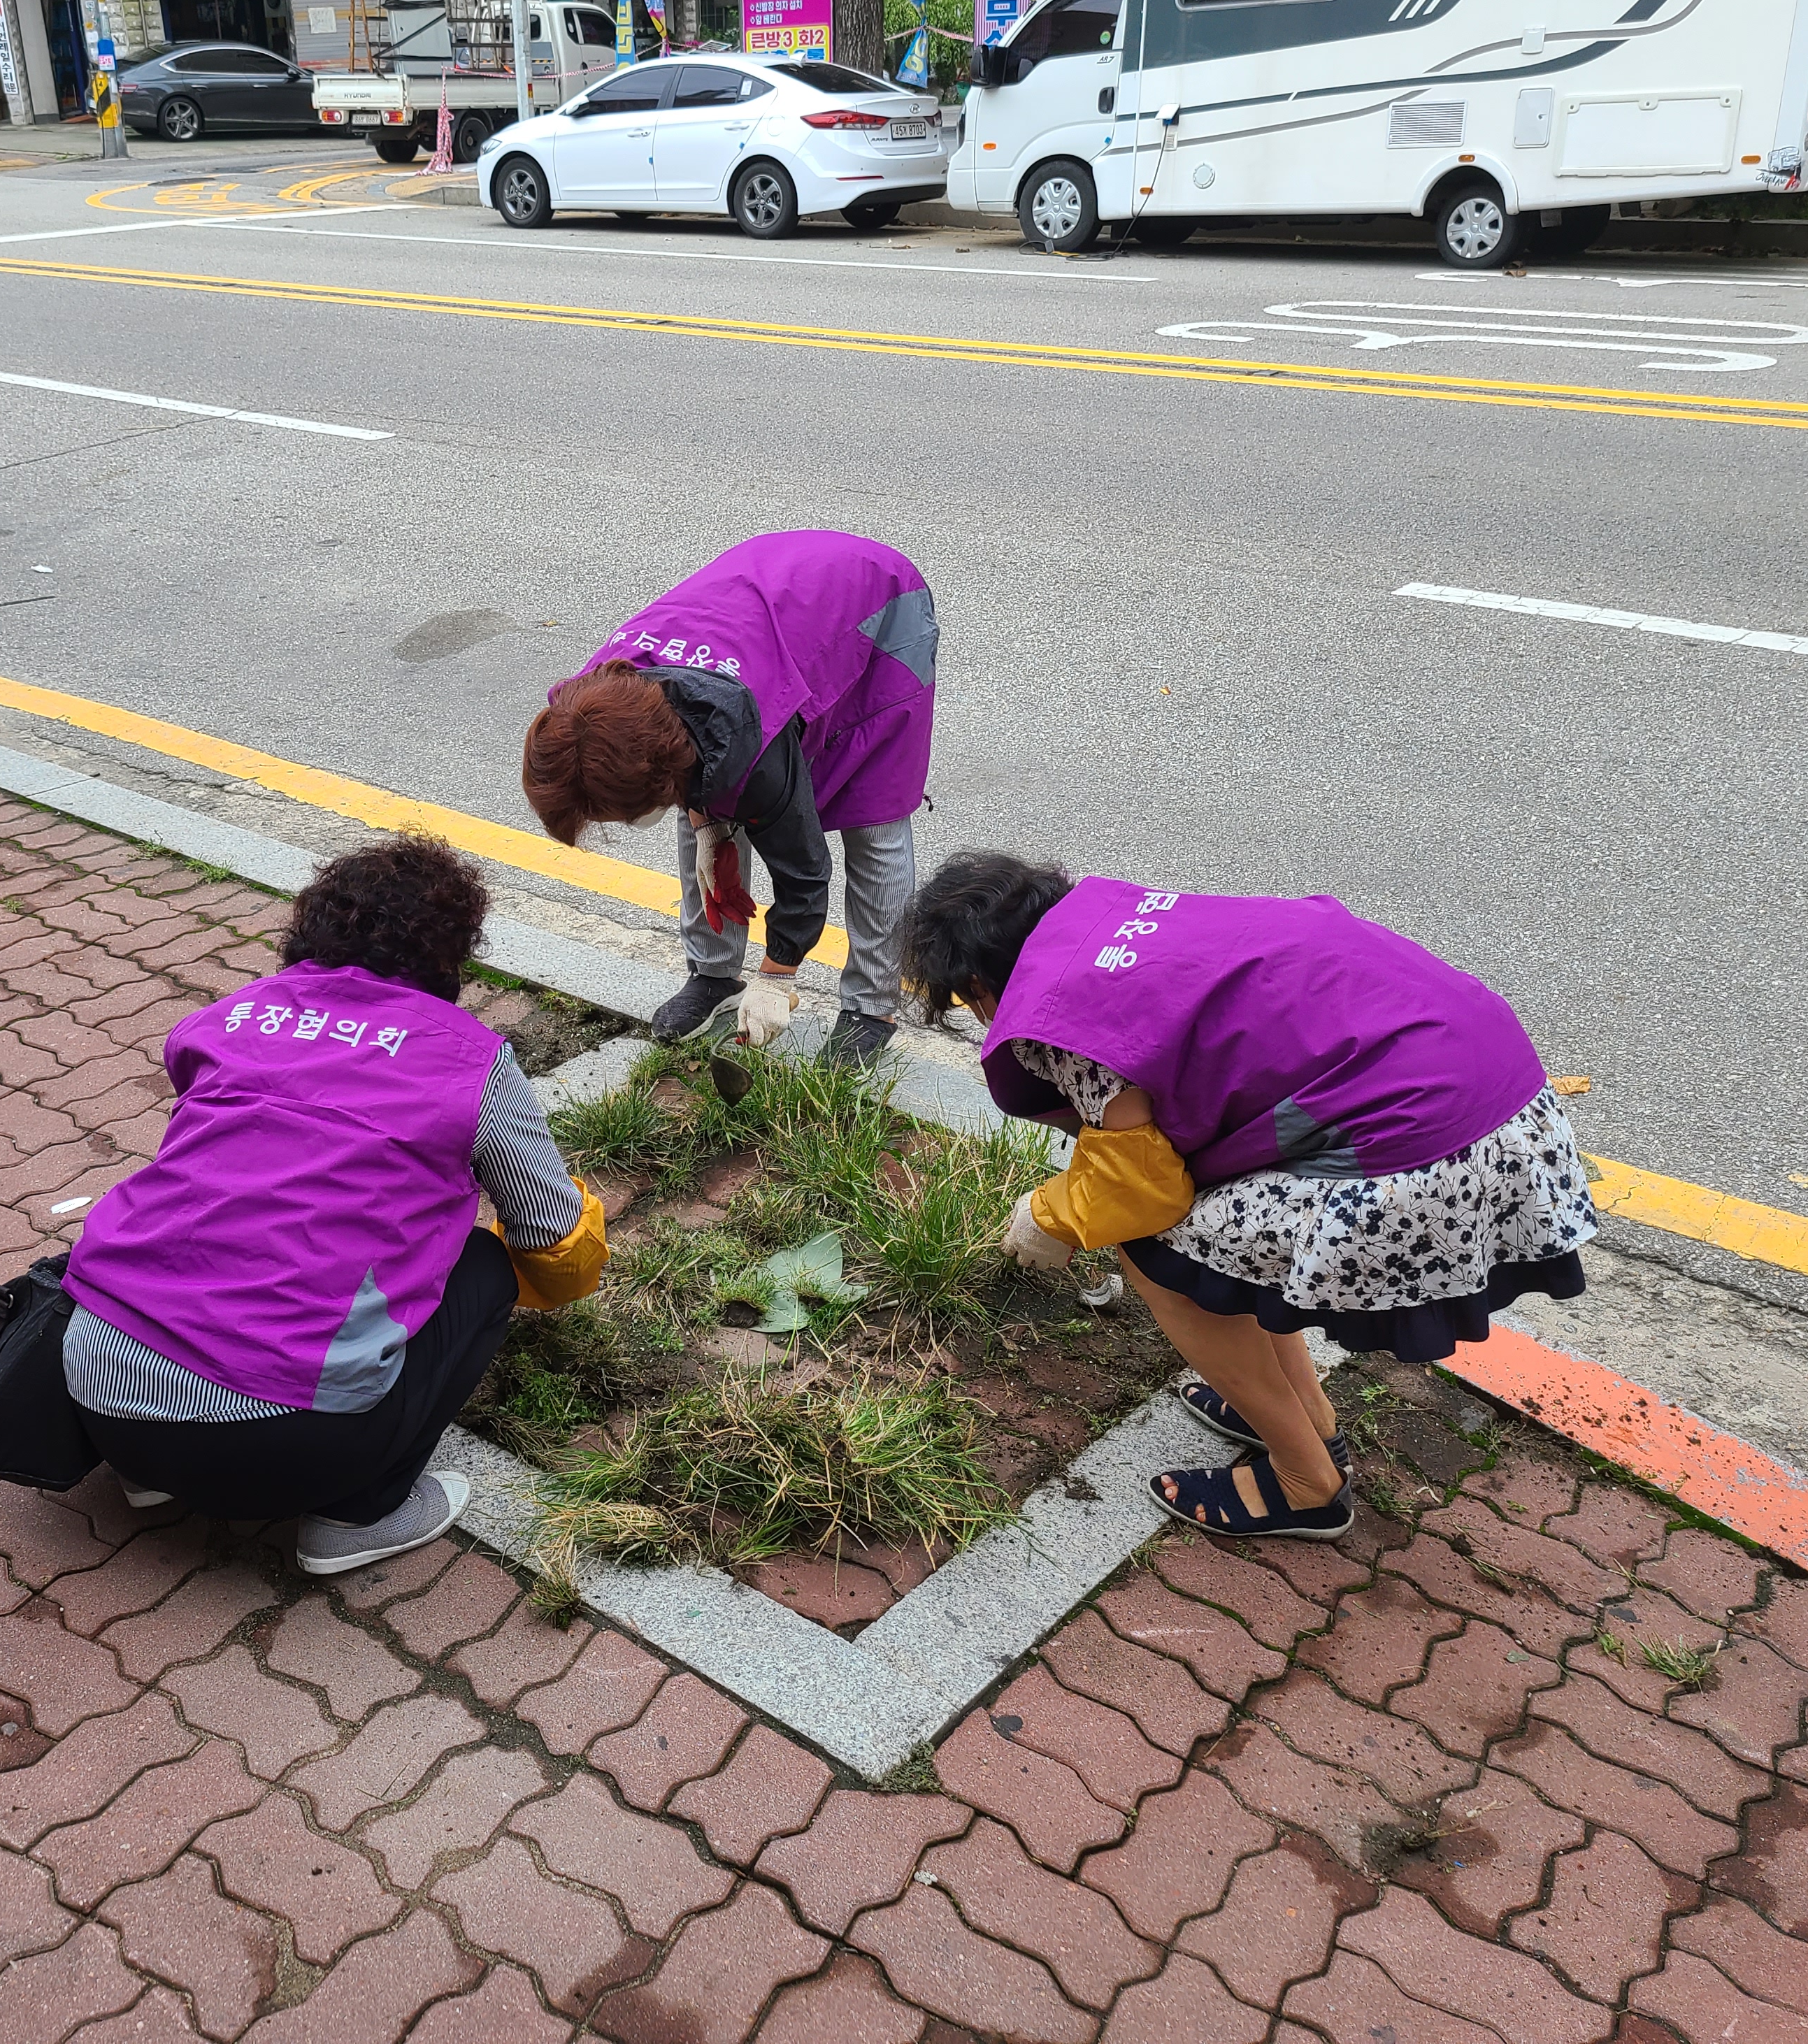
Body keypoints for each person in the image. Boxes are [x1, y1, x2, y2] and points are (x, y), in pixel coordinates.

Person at [905, 854, 1597, 1541]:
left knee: (1158, 1253)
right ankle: (1302, 1416)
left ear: (975, 984)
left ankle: (1306, 1483)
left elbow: (1139, 1189)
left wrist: (1048, 1218)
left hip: (1422, 1140)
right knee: (1227, 1234)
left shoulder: (1061, 1010)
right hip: (1489, 1075)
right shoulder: (1118, 925)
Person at [59, 837, 608, 1575]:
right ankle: (357, 1516)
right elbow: (551, 1236)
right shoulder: (471, 1061)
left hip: (98, 1399)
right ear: (450, 954)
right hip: (286, 1447)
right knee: (485, 1264)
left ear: (308, 931)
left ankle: (150, 1481)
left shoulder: (229, 1016)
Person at [521, 531, 938, 1067]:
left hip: (876, 607)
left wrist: (777, 976)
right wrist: (707, 827)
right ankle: (713, 976)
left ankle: (872, 1006)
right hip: (771, 606)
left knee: (872, 816)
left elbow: (805, 871)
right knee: (708, 814)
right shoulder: (585, 704)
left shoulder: (748, 742)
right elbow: (685, 776)